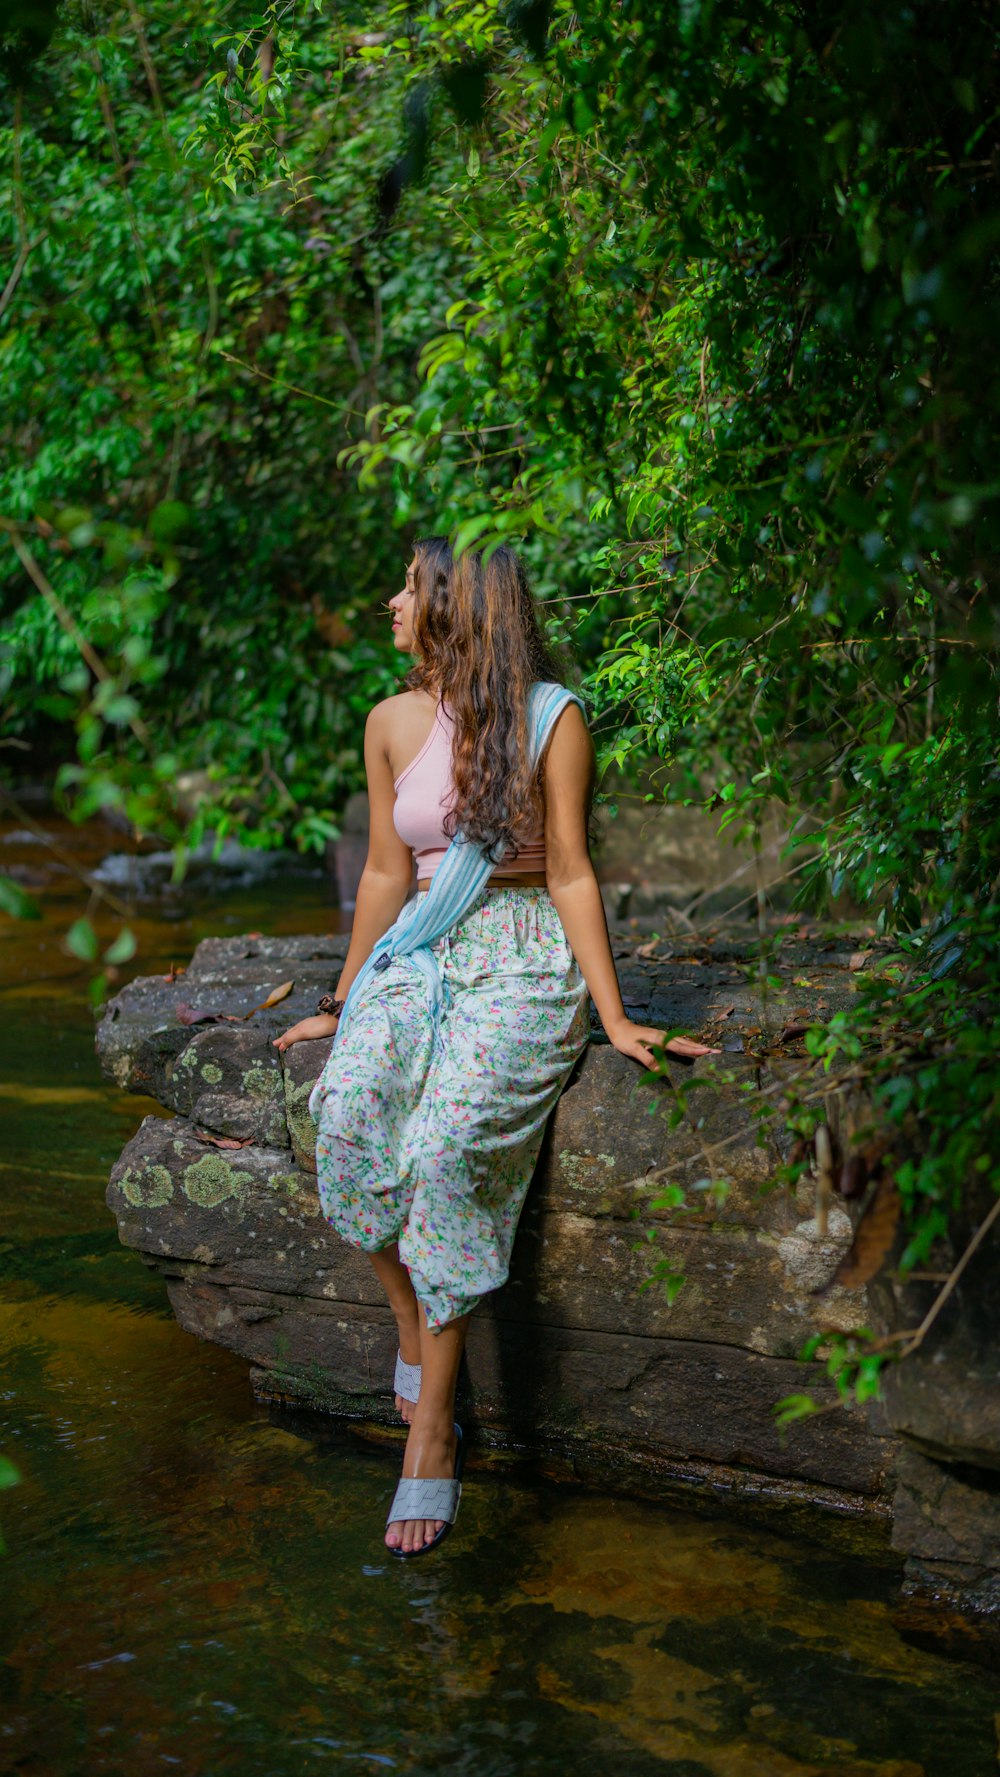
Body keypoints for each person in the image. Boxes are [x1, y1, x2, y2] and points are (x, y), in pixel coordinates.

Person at [273, 538, 719, 1559]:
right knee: (343, 1118)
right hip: (419, 952)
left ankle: (432, 1423)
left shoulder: (551, 716)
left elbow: (568, 870)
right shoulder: (389, 721)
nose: (390, 602)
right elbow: (387, 873)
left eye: (408, 588)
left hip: (521, 955)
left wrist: (609, 1015)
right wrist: (343, 1001)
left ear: (455, 608)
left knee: (444, 1149)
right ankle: (416, 1332)